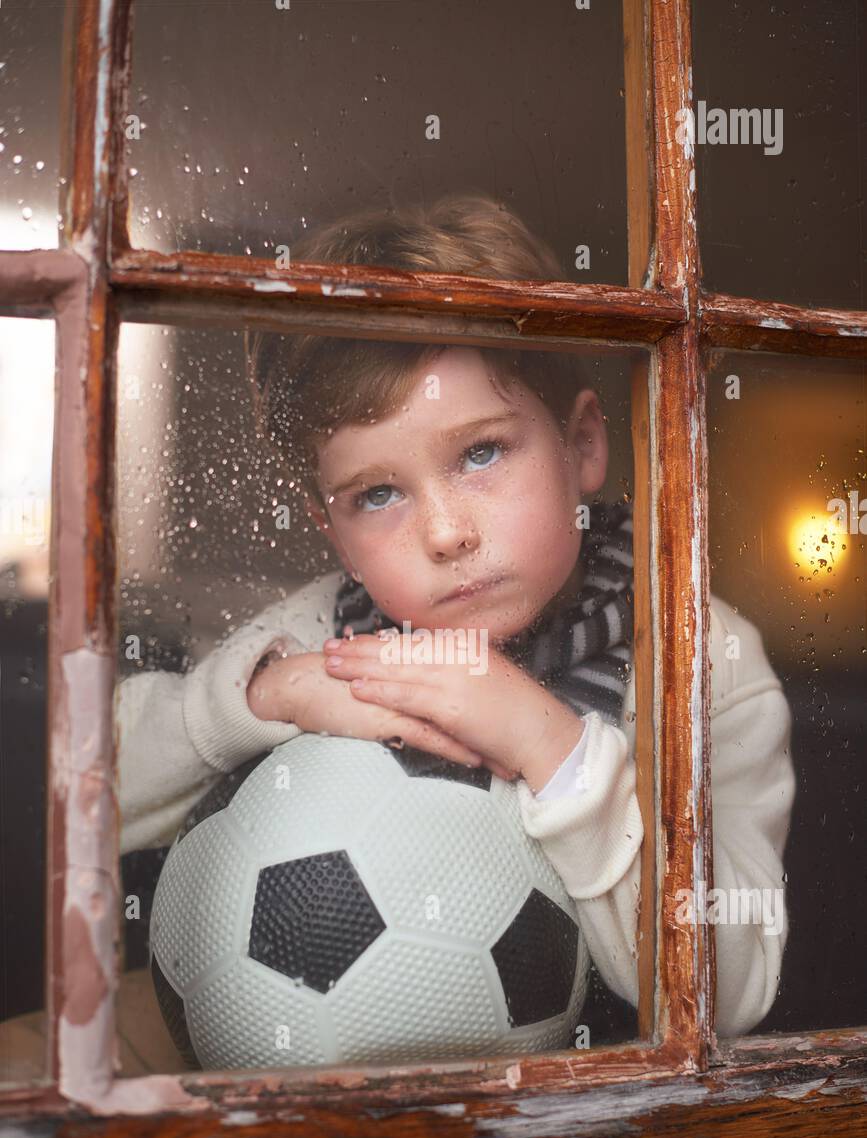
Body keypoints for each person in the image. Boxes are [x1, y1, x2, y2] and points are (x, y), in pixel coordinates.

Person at [117, 194, 796, 1038]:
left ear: (582, 445)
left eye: (481, 453)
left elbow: (730, 993)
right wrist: (261, 700)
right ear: (331, 530)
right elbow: (86, 786)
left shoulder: (706, 658)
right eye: (377, 494)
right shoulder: (329, 638)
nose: (445, 534)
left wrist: (552, 749)